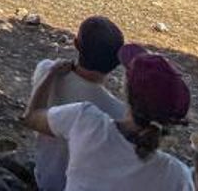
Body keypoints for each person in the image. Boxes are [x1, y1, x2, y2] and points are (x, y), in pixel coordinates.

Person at [24, 44, 198, 190]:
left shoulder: (84, 120)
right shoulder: (175, 175)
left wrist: (50, 73)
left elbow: (31, 117)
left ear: (126, 90)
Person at [30, 17, 127, 191]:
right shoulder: (118, 113)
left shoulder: (46, 71)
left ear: (76, 44)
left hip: (44, 178)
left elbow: (31, 118)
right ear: (117, 62)